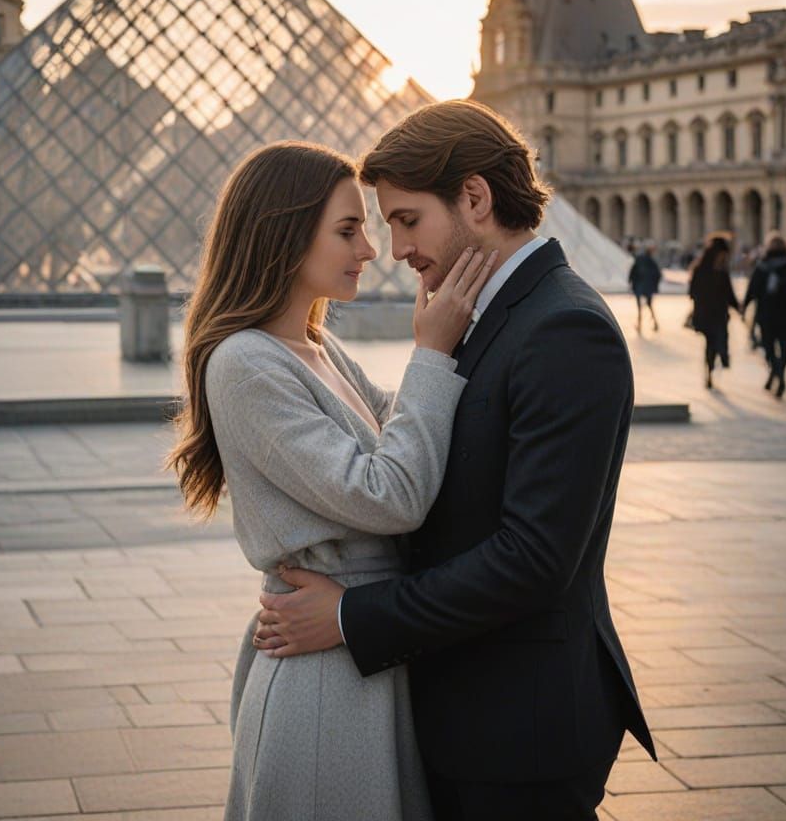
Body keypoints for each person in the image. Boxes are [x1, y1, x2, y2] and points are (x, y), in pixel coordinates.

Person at [254, 100, 655, 821]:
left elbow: (532, 558)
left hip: (518, 728)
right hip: (472, 708)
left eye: (406, 219)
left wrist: (349, 614)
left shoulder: (563, 328)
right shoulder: (478, 314)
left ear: (474, 197)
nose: (395, 249)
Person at [166, 141, 495, 821]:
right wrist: (432, 351)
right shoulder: (245, 364)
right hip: (326, 679)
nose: (371, 249)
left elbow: (406, 441)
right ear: (283, 234)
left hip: (358, 644)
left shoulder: (317, 345)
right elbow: (391, 492)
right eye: (349, 229)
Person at [742, 232, 786, 399]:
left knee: (768, 346)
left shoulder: (762, 266)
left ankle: (776, 373)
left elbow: (752, 289)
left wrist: (744, 306)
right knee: (784, 347)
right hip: (785, 313)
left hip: (766, 314)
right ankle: (779, 375)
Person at [688, 232, 740, 389]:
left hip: (704, 314)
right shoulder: (721, 272)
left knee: (710, 343)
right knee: (717, 341)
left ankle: (710, 370)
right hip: (717, 315)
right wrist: (738, 308)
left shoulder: (699, 269)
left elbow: (691, 292)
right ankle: (719, 361)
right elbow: (729, 294)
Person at [628, 242, 662, 333]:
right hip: (648, 286)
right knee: (649, 305)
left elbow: (633, 271)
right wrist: (655, 285)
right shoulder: (652, 262)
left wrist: (630, 281)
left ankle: (640, 325)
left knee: (639, 306)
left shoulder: (639, 259)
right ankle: (655, 323)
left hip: (639, 285)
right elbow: (658, 274)